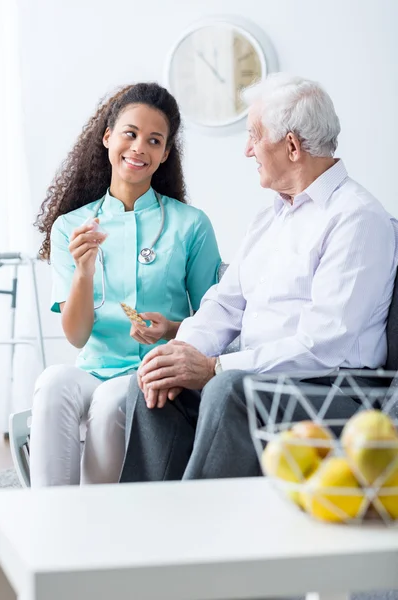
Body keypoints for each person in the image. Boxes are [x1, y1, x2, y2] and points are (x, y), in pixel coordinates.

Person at [119, 73, 398, 483]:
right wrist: (180, 353)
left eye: (254, 135)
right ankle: (147, 529)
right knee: (153, 384)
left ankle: (203, 539)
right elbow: (225, 304)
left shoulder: (357, 220)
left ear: (291, 146)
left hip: (337, 389)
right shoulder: (270, 218)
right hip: (258, 377)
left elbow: (325, 346)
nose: (247, 149)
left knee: (227, 389)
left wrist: (215, 368)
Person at [30, 82, 221, 487]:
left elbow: (216, 320)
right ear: (108, 137)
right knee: (52, 383)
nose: (139, 148)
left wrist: (170, 329)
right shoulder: (72, 227)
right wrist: (83, 269)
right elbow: (77, 336)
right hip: (94, 367)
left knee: (113, 399)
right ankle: (50, 517)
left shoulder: (191, 224)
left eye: (154, 140)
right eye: (130, 134)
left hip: (151, 372)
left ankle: (101, 528)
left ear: (165, 154)